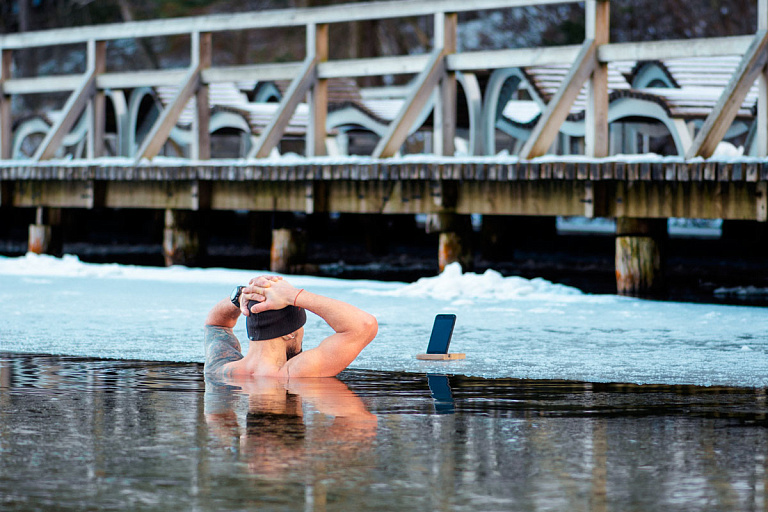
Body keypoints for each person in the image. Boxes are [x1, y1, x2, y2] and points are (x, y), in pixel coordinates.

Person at [204, 275, 378, 378]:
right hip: (288, 438)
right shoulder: (294, 374)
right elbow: (364, 325)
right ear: (289, 334)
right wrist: (291, 295)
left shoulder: (220, 369)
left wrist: (241, 295)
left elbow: (216, 324)